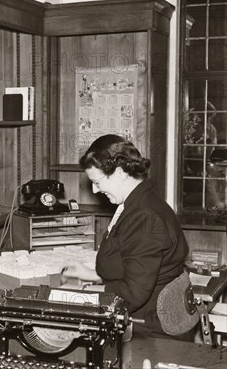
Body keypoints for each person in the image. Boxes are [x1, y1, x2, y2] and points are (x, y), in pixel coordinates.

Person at [61, 134, 191, 340]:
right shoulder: (137, 202)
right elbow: (134, 265)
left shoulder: (144, 216)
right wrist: (92, 274)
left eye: (97, 181)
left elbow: (133, 294)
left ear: (120, 173)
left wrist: (83, 293)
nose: (95, 189)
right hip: (147, 318)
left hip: (149, 330)